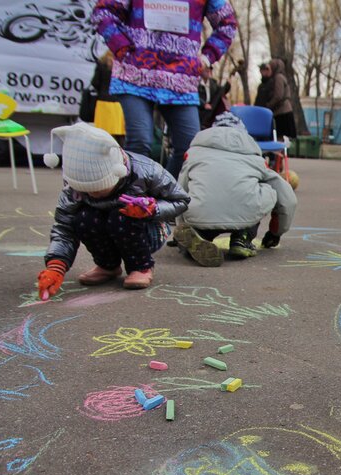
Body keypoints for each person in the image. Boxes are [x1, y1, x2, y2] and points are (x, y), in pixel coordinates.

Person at [37, 122, 190, 294]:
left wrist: (153, 210)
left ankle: (141, 267)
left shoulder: (146, 171)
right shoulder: (73, 187)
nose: (93, 194)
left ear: (117, 172)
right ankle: (107, 265)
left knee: (121, 217)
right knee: (82, 218)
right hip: (105, 225)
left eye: (98, 188)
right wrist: (56, 265)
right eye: (86, 190)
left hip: (148, 228)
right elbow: (64, 227)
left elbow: (181, 200)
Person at [92, 0, 237, 179]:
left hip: (180, 80)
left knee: (190, 148)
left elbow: (228, 23)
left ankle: (165, 195)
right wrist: (121, 46)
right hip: (135, 75)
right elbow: (104, 11)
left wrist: (207, 58)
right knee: (140, 141)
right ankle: (134, 201)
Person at [174, 112, 297, 266]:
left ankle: (197, 235)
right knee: (264, 187)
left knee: (197, 196)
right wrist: (275, 233)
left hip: (201, 215)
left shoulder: (194, 153)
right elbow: (287, 198)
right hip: (245, 216)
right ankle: (242, 238)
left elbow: (179, 190)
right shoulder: (255, 157)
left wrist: (181, 224)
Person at [254, 59, 296, 141]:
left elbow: (278, 96)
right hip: (281, 111)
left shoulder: (278, 77)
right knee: (280, 138)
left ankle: (280, 153)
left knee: (280, 137)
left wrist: (268, 106)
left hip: (282, 112)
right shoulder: (277, 78)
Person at [90, 50, 125, 145]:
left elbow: (95, 82)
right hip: (118, 103)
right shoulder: (123, 64)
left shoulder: (102, 63)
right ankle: (121, 157)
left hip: (103, 103)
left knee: (101, 135)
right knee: (119, 135)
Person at [198, 65, 231, 129]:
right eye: (206, 68)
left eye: (210, 69)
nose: (208, 70)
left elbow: (220, 93)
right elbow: (194, 96)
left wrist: (227, 85)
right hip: (199, 111)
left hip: (210, 113)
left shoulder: (213, 83)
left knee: (219, 93)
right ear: (200, 70)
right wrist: (204, 104)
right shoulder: (196, 82)